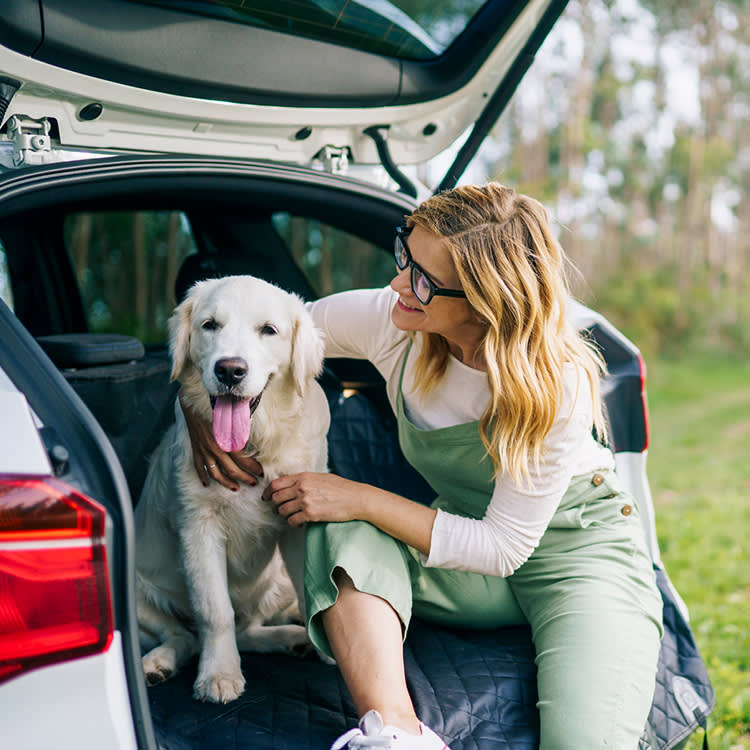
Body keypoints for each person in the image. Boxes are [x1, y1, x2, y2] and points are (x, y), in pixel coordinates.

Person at [182, 183, 663, 750]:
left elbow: (502, 548)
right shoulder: (393, 319)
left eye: (424, 281)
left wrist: (359, 496)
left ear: (487, 300)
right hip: (462, 556)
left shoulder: (555, 382)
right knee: (340, 528)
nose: (397, 284)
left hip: (577, 556)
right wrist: (200, 414)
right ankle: (395, 735)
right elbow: (254, 341)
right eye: (404, 255)